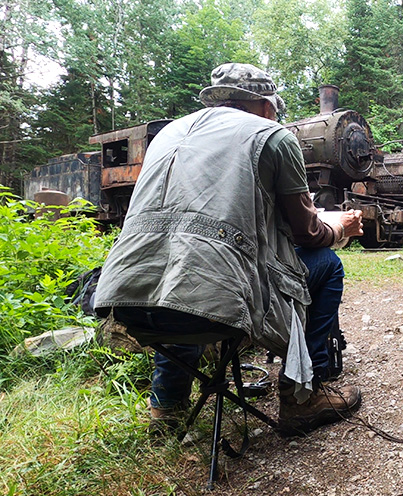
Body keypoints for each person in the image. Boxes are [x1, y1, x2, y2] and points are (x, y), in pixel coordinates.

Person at [94, 62, 364, 435]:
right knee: (326, 264)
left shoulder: (168, 134)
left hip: (127, 301)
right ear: (267, 105)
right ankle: (303, 396)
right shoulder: (273, 135)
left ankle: (166, 410)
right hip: (214, 308)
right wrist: (338, 227)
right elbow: (306, 234)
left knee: (183, 270)